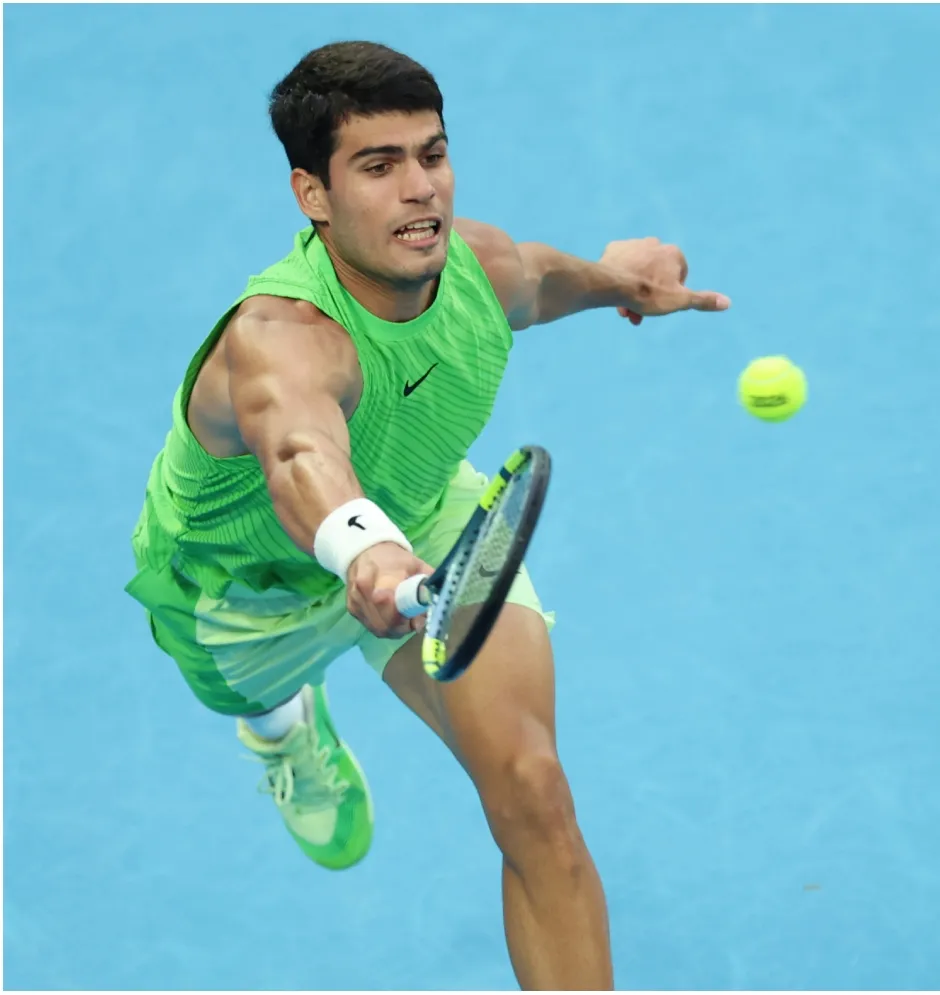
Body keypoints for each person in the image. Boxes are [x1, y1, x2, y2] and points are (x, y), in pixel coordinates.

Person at [123, 41, 727, 989]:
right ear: (311, 195)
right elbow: (298, 454)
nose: (421, 190)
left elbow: (541, 278)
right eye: (378, 165)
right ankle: (284, 728)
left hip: (430, 524)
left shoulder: (476, 268)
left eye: (432, 155)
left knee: (533, 788)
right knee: (254, 695)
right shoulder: (279, 339)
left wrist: (625, 282)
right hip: (247, 593)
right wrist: (367, 556)